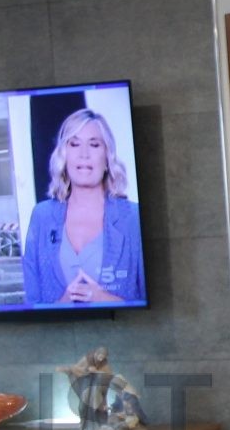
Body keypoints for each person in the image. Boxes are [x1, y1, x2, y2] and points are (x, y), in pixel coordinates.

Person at [20, 107, 145, 306]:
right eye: (74, 144)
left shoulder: (133, 218)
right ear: (64, 155)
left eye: (94, 145)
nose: (83, 154)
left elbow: (153, 301)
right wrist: (62, 305)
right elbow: (32, 304)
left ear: (107, 157)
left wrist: (102, 298)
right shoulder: (41, 216)